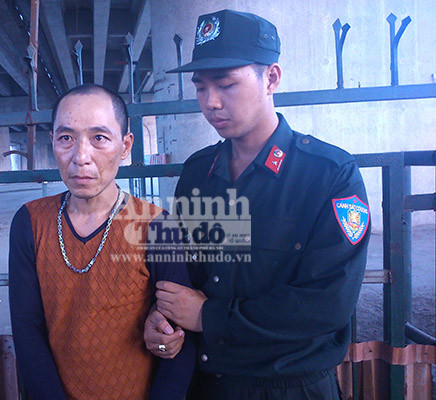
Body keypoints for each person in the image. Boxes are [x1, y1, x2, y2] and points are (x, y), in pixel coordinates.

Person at [144, 9, 370, 400]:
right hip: (207, 386)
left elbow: (327, 303)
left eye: (226, 84)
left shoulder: (329, 175)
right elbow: (184, 273)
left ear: (272, 78)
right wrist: (162, 317)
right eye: (201, 87)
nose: (211, 102)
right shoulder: (198, 173)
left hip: (291, 387)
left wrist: (208, 316)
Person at [9, 84, 195, 400]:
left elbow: (179, 336)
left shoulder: (155, 225)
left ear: (125, 146)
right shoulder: (30, 222)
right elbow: (27, 330)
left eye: (99, 138)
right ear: (53, 142)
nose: (81, 157)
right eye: (66, 138)